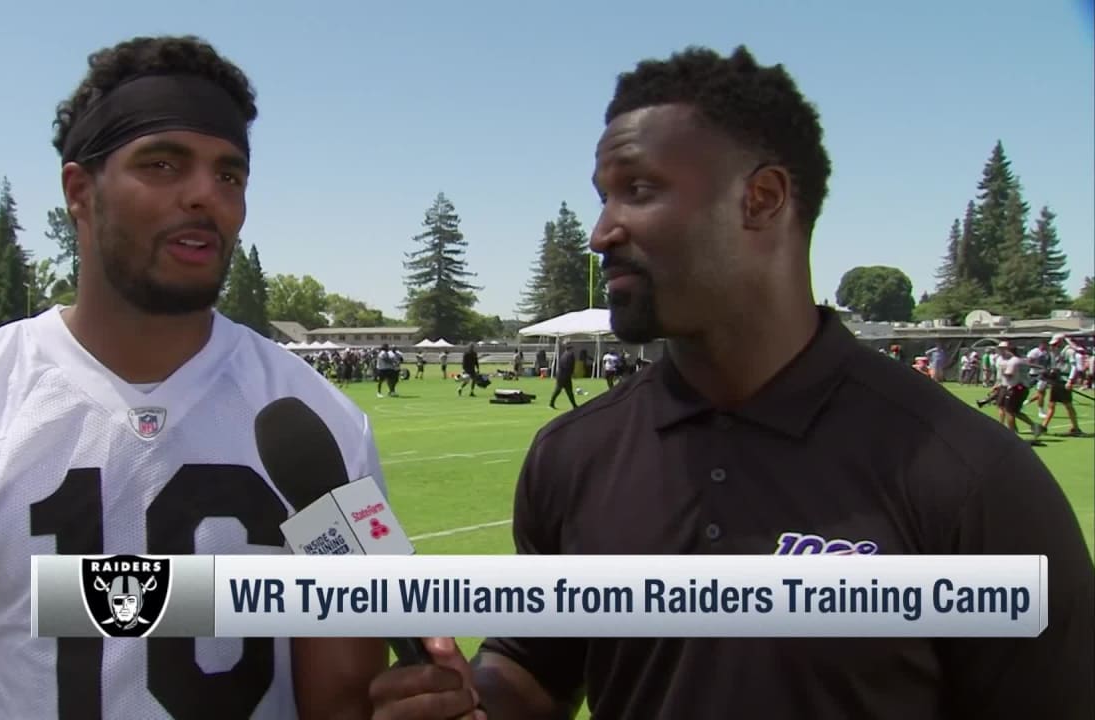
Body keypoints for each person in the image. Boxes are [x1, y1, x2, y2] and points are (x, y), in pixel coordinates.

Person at [367, 45, 1093, 720]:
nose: (602, 231)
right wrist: (474, 699)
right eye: (603, 196)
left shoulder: (970, 478)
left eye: (640, 189)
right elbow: (539, 660)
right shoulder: (572, 454)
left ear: (764, 199)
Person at [0, 35, 386, 719]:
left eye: (229, 175)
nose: (206, 194)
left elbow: (347, 694)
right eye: (164, 164)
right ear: (79, 191)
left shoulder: (321, 426)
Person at [549, 343, 578, 409]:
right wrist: (572, 374)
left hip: (561, 375)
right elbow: (570, 366)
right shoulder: (571, 355)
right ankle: (574, 405)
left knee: (560, 390)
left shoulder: (564, 354)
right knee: (566, 391)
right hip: (565, 376)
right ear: (571, 348)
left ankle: (551, 403)